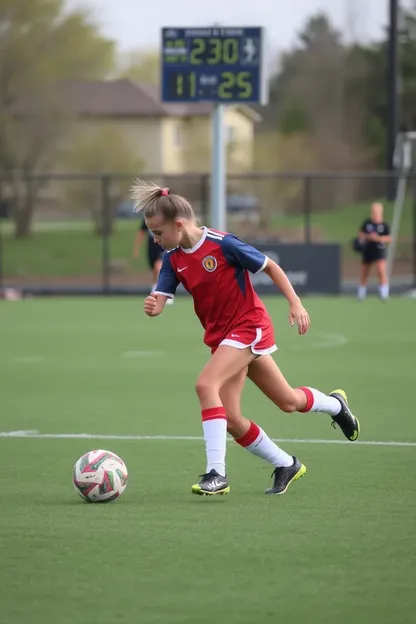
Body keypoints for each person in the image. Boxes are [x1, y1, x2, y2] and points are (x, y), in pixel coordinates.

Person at [131, 180, 360, 497]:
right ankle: (309, 436)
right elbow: (162, 296)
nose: (155, 240)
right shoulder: (173, 258)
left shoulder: (222, 244)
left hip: (248, 327)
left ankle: (217, 474)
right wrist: (154, 306)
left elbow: (271, 267)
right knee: (271, 407)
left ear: (179, 225)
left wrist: (295, 303)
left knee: (205, 385)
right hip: (223, 339)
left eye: (158, 233)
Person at [132, 216, 173, 304]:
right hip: (152, 247)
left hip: (163, 245)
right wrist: (136, 249)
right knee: (155, 270)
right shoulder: (148, 217)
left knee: (159, 267)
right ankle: (155, 290)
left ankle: (164, 293)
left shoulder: (165, 216)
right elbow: (141, 232)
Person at [357, 202, 392, 300]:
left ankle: (384, 294)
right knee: (365, 272)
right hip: (368, 250)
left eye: (377, 212)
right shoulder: (367, 223)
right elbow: (360, 235)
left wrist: (378, 238)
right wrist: (368, 237)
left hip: (379, 251)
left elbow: (389, 238)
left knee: (381, 270)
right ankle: (361, 294)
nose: (375, 214)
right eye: (374, 212)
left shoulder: (384, 225)